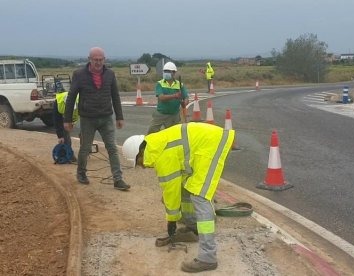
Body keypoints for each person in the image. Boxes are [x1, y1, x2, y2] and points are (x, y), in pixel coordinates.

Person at [122, 122, 235, 273]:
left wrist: (171, 220)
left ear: (140, 154)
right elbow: (176, 187)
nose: (142, 167)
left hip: (210, 146)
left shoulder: (161, 156)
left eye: (139, 163)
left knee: (200, 197)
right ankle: (194, 229)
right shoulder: (156, 145)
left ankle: (208, 257)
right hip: (207, 143)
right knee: (186, 188)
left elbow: (171, 191)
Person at [64, 47, 130, 191]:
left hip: (106, 117)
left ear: (104, 59)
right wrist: (67, 119)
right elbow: (71, 97)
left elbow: (115, 96)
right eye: (95, 60)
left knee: (112, 148)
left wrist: (119, 116)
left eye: (101, 60)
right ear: (90, 59)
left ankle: (118, 179)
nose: (98, 63)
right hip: (88, 118)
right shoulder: (79, 74)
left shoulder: (110, 74)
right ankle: (81, 173)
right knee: (85, 148)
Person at [147, 61, 189, 134]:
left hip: (174, 115)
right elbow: (161, 98)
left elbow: (186, 97)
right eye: (165, 71)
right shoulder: (160, 84)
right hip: (160, 114)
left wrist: (184, 103)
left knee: (174, 135)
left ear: (174, 73)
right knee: (151, 132)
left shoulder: (180, 85)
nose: (166, 73)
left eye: (168, 71)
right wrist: (175, 96)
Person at [53, 81, 79, 162]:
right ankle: (69, 155)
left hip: (80, 115)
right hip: (63, 119)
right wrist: (60, 136)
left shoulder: (80, 100)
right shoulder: (58, 102)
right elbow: (57, 120)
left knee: (85, 132)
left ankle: (84, 152)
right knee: (65, 134)